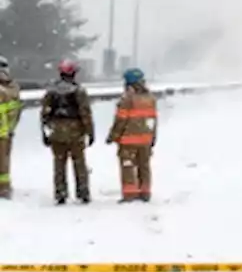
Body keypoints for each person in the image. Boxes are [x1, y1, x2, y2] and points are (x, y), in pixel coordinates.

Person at [40, 59, 94, 204]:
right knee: (79, 162)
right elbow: (85, 113)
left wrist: (45, 132)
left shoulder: (51, 91)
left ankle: (60, 192)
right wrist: (90, 132)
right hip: (75, 131)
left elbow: (45, 113)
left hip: (56, 131)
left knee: (59, 163)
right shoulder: (79, 91)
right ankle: (83, 192)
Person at [106, 67, 157, 202]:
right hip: (145, 140)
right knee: (144, 166)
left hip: (128, 140)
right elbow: (153, 120)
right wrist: (153, 138)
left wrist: (113, 136)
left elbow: (121, 120)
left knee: (128, 166)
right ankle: (145, 192)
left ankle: (129, 194)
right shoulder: (150, 98)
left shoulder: (127, 99)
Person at [0, 57, 23, 199]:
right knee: (4, 162)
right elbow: (16, 110)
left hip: (5, 130)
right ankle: (4, 189)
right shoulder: (12, 87)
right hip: (6, 131)